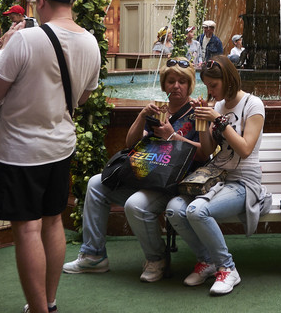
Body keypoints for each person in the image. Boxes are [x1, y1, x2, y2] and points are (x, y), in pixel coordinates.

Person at [0, 0, 100, 313]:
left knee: (26, 229)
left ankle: (37, 308)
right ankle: (49, 302)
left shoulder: (25, 40)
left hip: (20, 149)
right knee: (53, 220)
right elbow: (82, 97)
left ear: (40, 1)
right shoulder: (91, 42)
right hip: (60, 145)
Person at [64, 58, 202, 282]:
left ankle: (157, 258)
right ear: (164, 85)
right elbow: (130, 145)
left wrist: (171, 136)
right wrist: (140, 116)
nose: (176, 86)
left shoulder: (197, 112)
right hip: (148, 175)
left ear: (190, 85)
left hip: (174, 184)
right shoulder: (159, 111)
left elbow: (204, 153)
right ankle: (93, 255)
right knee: (96, 184)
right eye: (171, 81)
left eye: (182, 82)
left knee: (135, 204)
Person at [165, 55, 270, 296]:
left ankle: (227, 268)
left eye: (214, 85)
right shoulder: (218, 106)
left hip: (245, 181)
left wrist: (219, 121)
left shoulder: (253, 105)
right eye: (207, 86)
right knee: (174, 209)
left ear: (229, 79)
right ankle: (207, 261)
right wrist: (203, 121)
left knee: (196, 211)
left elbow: (245, 148)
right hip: (218, 178)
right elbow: (209, 150)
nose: (210, 91)